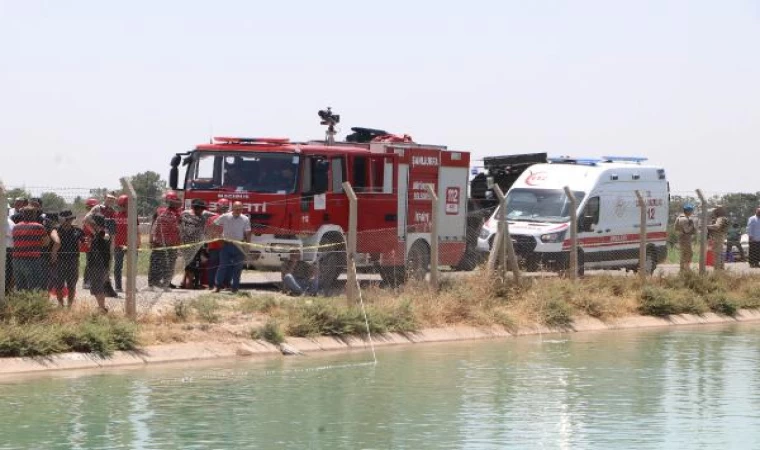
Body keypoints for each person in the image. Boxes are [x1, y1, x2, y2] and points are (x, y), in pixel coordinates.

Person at [213, 201, 251, 294]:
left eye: (240, 208)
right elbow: (214, 225)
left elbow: (248, 232)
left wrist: (248, 245)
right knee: (222, 266)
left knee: (238, 267)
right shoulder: (225, 216)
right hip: (226, 245)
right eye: (237, 208)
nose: (239, 210)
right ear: (232, 208)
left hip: (239, 246)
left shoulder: (245, 219)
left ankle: (235, 288)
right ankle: (217, 287)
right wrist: (218, 237)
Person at [49, 210, 85, 307]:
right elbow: (54, 241)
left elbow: (85, 242)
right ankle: (61, 305)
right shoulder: (56, 229)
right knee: (59, 285)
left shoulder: (77, 231)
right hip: (59, 261)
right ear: (62, 219)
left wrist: (87, 242)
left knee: (72, 285)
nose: (70, 221)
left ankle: (69, 306)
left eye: (71, 219)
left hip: (73, 260)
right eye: (67, 219)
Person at [148, 191, 182, 289]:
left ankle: (165, 284)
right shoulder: (160, 211)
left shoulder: (178, 214)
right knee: (156, 262)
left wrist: (179, 243)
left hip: (172, 243)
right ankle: (152, 283)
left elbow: (179, 229)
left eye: (174, 201)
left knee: (169, 264)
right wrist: (151, 240)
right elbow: (153, 225)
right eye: (171, 201)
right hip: (159, 242)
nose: (173, 203)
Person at [11, 207, 49, 291]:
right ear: (34, 214)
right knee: (34, 286)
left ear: (23, 214)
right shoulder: (39, 227)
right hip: (31, 259)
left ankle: (21, 303)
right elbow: (46, 242)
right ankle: (33, 303)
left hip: (16, 259)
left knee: (20, 287)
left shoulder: (16, 227)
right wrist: (37, 244)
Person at [180, 199, 213, 289]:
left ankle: (183, 282)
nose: (202, 211)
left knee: (189, 263)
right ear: (196, 208)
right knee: (191, 264)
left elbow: (216, 215)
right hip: (189, 245)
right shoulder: (186, 214)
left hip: (193, 244)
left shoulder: (202, 215)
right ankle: (188, 284)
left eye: (203, 209)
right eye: (201, 209)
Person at [113, 195, 140, 292]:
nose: (122, 207)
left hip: (131, 244)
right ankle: (118, 286)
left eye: (125, 205)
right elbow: (112, 231)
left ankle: (131, 285)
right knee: (118, 266)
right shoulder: (115, 215)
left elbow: (137, 230)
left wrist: (138, 242)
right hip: (118, 244)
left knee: (132, 266)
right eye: (122, 205)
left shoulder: (133, 215)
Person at [205, 198, 230, 291]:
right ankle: (223, 284)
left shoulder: (211, 219)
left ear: (218, 207)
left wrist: (207, 245)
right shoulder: (230, 219)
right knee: (224, 266)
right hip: (225, 246)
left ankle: (211, 285)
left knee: (213, 266)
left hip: (214, 246)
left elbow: (207, 233)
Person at [88, 215, 112, 313]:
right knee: (97, 286)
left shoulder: (103, 233)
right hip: (97, 263)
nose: (91, 225)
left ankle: (102, 308)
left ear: (96, 224)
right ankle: (101, 307)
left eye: (93, 223)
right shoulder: (97, 234)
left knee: (97, 286)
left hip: (99, 264)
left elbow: (106, 237)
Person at [674, 204, 696, 272]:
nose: (692, 212)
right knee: (689, 253)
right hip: (685, 238)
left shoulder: (679, 217)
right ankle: (686, 268)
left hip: (682, 238)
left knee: (683, 254)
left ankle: (682, 269)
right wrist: (692, 225)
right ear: (688, 211)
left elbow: (675, 228)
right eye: (691, 210)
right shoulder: (684, 219)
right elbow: (686, 230)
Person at [707, 205, 729, 271]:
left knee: (717, 254)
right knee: (720, 253)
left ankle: (717, 270)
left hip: (717, 237)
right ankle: (721, 269)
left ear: (718, 211)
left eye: (715, 210)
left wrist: (706, 226)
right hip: (720, 237)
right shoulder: (723, 218)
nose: (713, 212)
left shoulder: (720, 218)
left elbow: (716, 227)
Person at [4, 215, 14, 294]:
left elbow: (12, 233)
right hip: (7, 249)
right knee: (7, 269)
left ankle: (5, 289)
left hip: (7, 249)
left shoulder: (9, 222)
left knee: (7, 270)